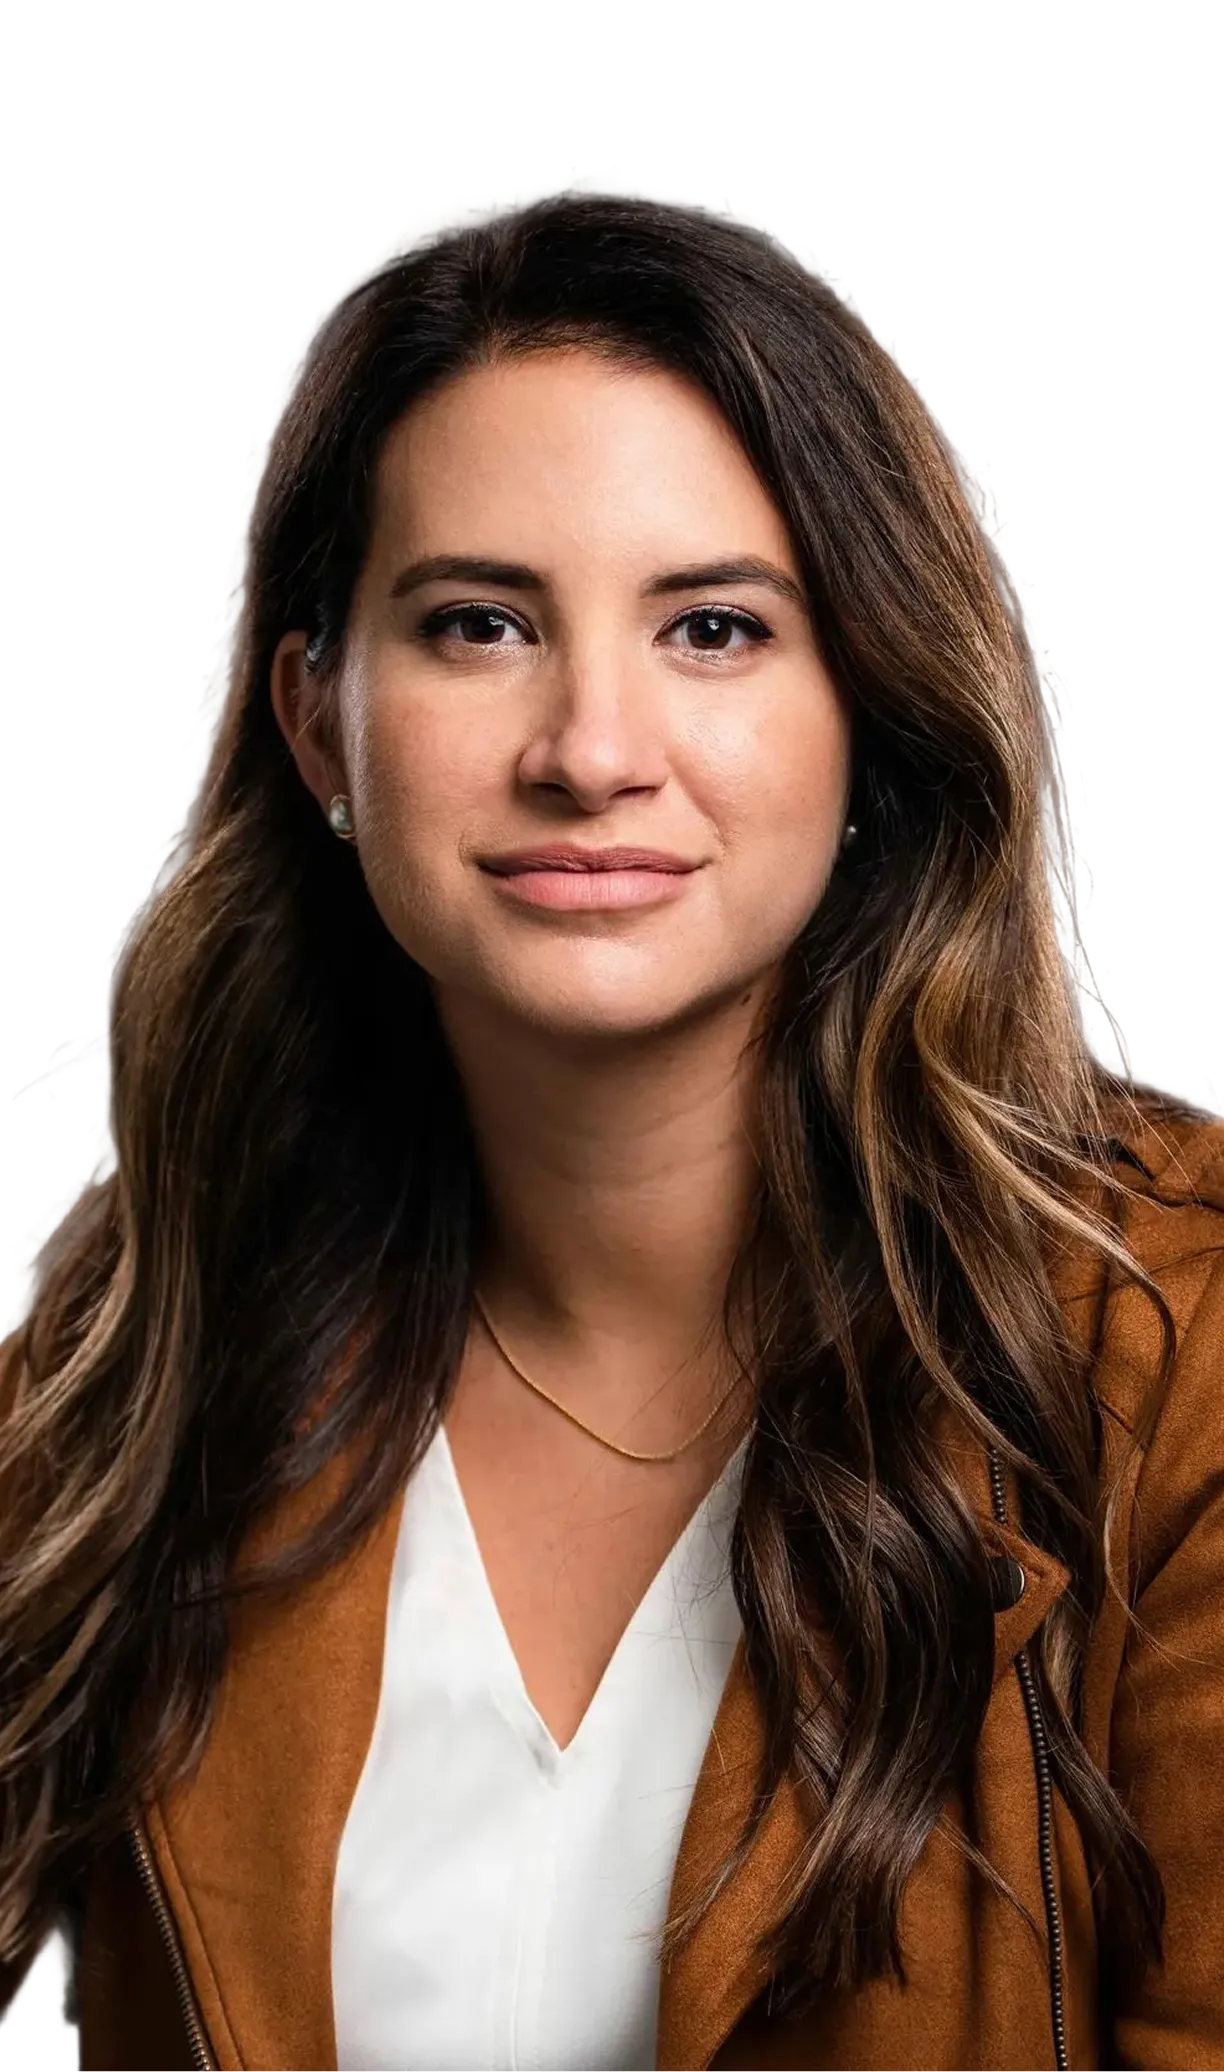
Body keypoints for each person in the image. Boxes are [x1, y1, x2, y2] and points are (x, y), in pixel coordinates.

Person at [2, 180, 1220, 2071]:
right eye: (479, 624)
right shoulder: (119, 1382)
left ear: (870, 714)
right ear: (323, 727)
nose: (591, 749)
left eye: (715, 629)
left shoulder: (1180, 1354)